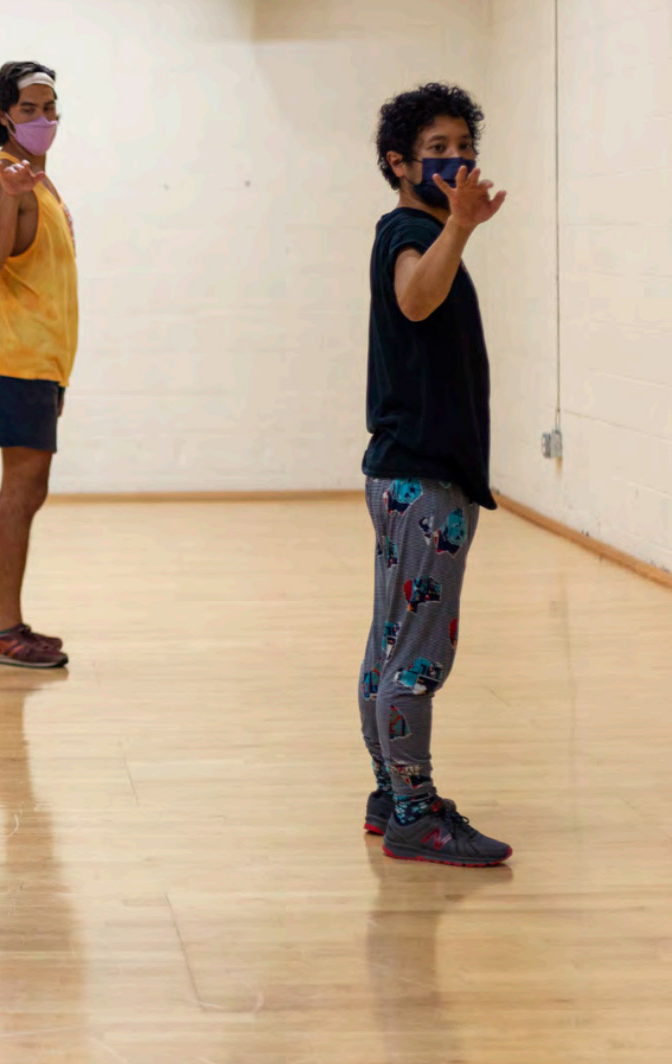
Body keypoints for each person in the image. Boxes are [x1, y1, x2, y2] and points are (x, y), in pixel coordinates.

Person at [357, 84, 511, 867]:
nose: (455, 160)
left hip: (409, 472)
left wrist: (455, 228)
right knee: (416, 654)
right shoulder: (408, 231)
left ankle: (392, 795)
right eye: (436, 149)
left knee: (390, 644)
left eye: (462, 146)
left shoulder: (419, 227)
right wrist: (458, 224)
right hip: (421, 477)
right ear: (398, 162)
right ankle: (415, 813)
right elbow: (416, 303)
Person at [0, 61, 76, 669]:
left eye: (49, 108)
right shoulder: (2, 175)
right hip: (18, 356)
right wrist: (7, 201)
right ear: (5, 113)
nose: (42, 119)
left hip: (43, 359)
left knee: (28, 489)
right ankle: (3, 628)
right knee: (20, 490)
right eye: (29, 109)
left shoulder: (40, 178)